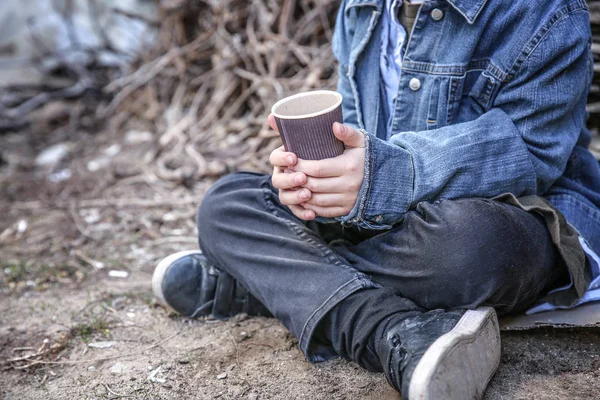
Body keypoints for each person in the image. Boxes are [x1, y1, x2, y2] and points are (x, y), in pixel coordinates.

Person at [151, 0, 600, 398]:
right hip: (384, 218)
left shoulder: (545, 9)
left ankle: (267, 286)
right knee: (226, 204)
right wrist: (311, 180)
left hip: (517, 213)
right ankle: (388, 329)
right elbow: (358, 130)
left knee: (474, 249)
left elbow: (533, 148)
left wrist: (389, 175)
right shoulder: (360, 7)